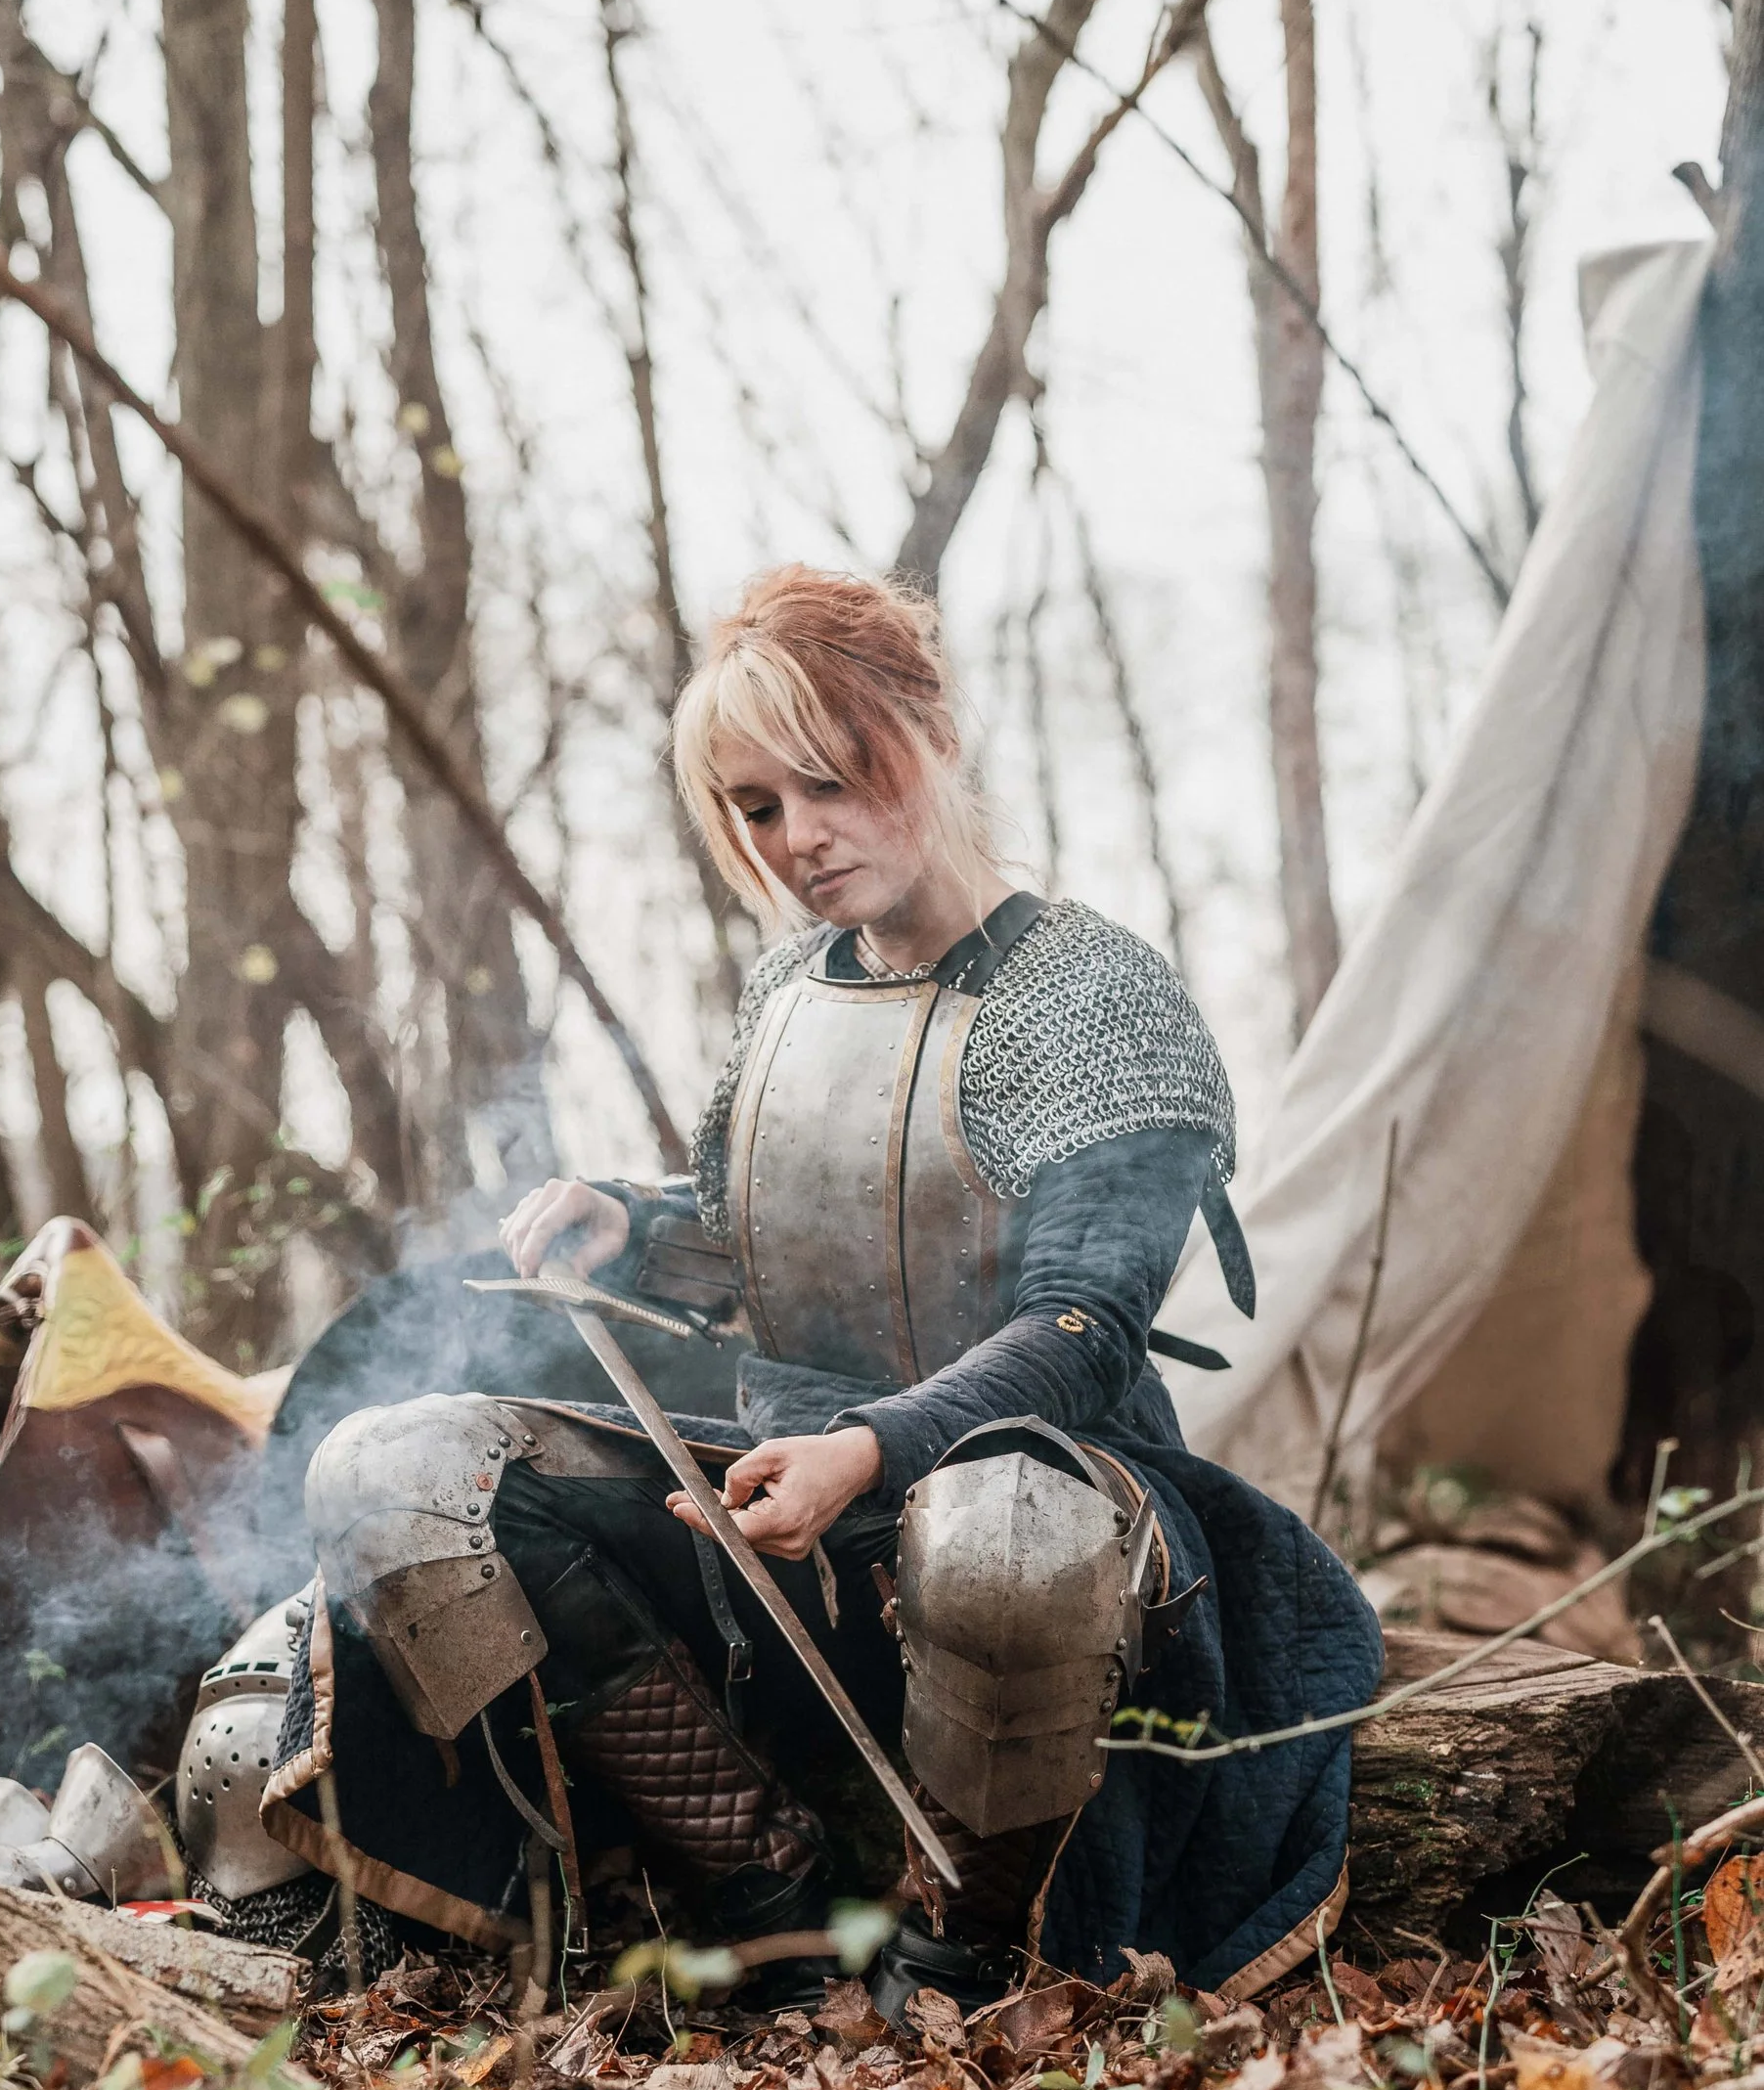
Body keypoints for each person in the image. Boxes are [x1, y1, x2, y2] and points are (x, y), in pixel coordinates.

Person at [194, 563, 1382, 2014]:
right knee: (397, 1468)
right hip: (781, 1484)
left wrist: (873, 1448)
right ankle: (767, 1895)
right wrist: (624, 1228)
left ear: (928, 733)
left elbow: (1084, 1325)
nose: (799, 838)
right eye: (758, 808)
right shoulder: (789, 992)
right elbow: (779, 1238)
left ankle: (969, 1932)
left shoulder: (1094, 996)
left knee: (1005, 1530)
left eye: (829, 781)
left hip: (1056, 1500)